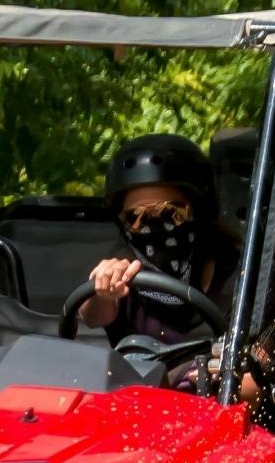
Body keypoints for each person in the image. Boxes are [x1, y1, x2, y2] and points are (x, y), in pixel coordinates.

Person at [81, 134, 263, 398]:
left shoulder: (240, 274)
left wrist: (232, 382)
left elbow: (266, 355)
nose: (154, 227)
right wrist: (101, 289)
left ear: (199, 209)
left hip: (212, 413)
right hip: (133, 411)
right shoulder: (124, 270)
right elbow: (92, 315)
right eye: (136, 217)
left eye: (170, 213)